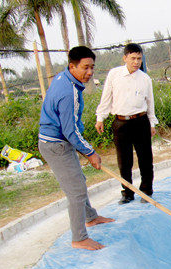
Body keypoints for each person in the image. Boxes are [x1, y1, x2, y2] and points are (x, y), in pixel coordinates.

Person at [38, 46, 114, 251]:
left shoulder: (64, 78)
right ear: (72, 66)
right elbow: (70, 131)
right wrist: (90, 152)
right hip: (55, 145)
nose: (89, 72)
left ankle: (91, 217)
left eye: (92, 68)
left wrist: (86, 150)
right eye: (85, 68)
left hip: (59, 141)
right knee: (76, 191)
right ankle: (79, 238)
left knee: (79, 181)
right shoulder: (67, 91)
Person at [95, 43, 158, 204]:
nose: (136, 62)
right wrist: (100, 118)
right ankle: (127, 192)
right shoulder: (114, 75)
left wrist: (152, 123)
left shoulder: (145, 79)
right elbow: (106, 97)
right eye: (133, 58)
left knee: (145, 158)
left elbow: (150, 102)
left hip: (141, 121)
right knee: (124, 161)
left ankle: (146, 191)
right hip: (121, 123)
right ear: (125, 58)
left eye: (139, 59)